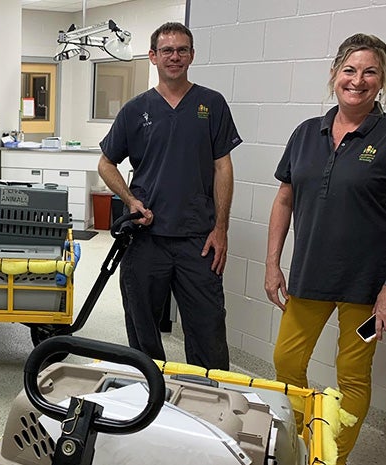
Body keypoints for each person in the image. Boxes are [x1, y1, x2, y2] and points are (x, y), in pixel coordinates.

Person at [265, 33, 386, 465]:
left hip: (367, 288)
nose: (358, 80)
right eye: (350, 70)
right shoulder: (305, 133)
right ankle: (302, 439)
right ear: (334, 74)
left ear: (381, 80)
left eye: (370, 71)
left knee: (353, 376)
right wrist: (272, 263)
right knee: (286, 361)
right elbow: (284, 198)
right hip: (310, 275)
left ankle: (331, 456)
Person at [97, 22, 241, 370]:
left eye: (182, 50)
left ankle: (210, 400)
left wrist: (221, 229)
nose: (174, 57)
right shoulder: (135, 109)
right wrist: (131, 201)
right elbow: (106, 163)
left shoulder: (212, 104)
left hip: (198, 239)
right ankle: (152, 398)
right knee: (142, 329)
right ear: (153, 57)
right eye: (167, 50)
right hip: (146, 239)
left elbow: (223, 168)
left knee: (208, 330)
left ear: (192, 55)